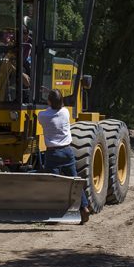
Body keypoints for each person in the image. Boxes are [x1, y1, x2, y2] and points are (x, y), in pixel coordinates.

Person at [37, 89, 91, 224]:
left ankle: (55, 215)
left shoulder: (43, 115)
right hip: (67, 152)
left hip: (53, 153)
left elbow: (44, 115)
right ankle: (84, 208)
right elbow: (58, 107)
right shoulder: (65, 112)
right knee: (74, 182)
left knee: (54, 184)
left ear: (49, 101)